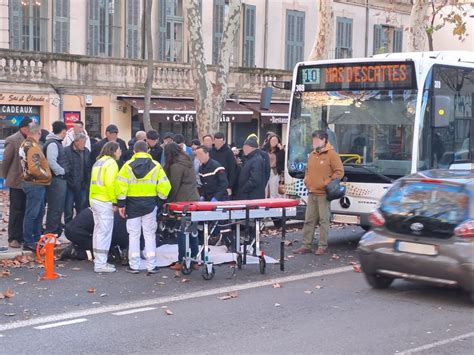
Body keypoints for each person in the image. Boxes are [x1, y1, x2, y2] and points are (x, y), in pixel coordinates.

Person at [116, 141, 171, 274]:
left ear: (134, 151)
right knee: (149, 234)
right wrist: (159, 201)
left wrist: (121, 204)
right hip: (150, 204)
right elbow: (165, 186)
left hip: (132, 205)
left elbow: (120, 186)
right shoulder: (156, 166)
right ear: (147, 151)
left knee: (134, 235)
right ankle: (151, 265)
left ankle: (134, 265)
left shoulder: (127, 166)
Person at [293, 130, 344, 255]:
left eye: (317, 140)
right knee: (309, 220)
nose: (314, 142)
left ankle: (322, 245)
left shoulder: (332, 154)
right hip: (312, 192)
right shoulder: (312, 155)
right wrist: (306, 179)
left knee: (323, 220)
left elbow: (339, 172)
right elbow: (308, 170)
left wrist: (327, 182)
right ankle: (306, 245)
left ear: (324, 140)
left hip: (323, 194)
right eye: (313, 140)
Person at [163, 143, 200, 271]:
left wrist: (168, 202)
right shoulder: (187, 161)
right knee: (193, 231)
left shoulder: (176, 166)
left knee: (182, 232)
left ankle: (182, 260)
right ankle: (195, 259)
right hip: (194, 200)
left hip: (182, 203)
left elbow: (173, 186)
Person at [89, 141, 122, 273]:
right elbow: (110, 183)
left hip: (95, 199)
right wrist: (115, 201)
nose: (120, 152)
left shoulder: (98, 162)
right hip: (105, 200)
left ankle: (98, 260)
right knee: (105, 232)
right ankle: (101, 263)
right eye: (119, 149)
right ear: (113, 151)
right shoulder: (111, 163)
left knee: (98, 232)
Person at [19, 123, 52, 251]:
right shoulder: (33, 146)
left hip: (30, 182)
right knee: (33, 213)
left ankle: (36, 238)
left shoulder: (25, 144)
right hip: (35, 183)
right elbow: (34, 168)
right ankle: (30, 240)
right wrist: (47, 175)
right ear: (38, 133)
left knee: (37, 212)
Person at [2, 117, 32, 248]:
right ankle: (13, 238)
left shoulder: (32, 140)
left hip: (30, 181)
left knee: (27, 210)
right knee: (17, 210)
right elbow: (5, 162)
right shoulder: (13, 140)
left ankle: (24, 236)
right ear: (24, 128)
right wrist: (6, 178)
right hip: (16, 181)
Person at [59, 207, 129, 262]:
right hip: (77, 232)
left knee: (103, 245)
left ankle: (77, 248)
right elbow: (115, 238)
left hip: (73, 228)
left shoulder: (111, 210)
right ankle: (75, 251)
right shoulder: (119, 219)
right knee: (101, 250)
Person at [44, 121, 70, 235]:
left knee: (57, 207)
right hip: (56, 180)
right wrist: (62, 171)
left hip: (57, 179)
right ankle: (52, 233)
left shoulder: (53, 142)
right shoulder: (53, 144)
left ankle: (55, 231)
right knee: (55, 207)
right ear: (63, 131)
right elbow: (51, 162)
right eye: (66, 133)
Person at [64, 132, 91, 224]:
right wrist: (69, 180)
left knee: (82, 207)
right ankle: (68, 225)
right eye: (82, 142)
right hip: (70, 184)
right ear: (76, 142)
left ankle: (79, 225)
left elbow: (88, 167)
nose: (84, 145)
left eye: (85, 142)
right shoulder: (66, 151)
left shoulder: (86, 151)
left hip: (83, 185)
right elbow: (65, 167)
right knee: (68, 207)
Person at [210, 132, 237, 197]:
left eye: (220, 142)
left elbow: (232, 169)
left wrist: (230, 186)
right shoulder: (210, 151)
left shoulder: (228, 152)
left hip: (225, 184)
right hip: (212, 184)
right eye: (216, 142)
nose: (218, 144)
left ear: (224, 141)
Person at [262, 134, 285, 198]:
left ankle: (273, 205)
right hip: (265, 171)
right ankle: (264, 204)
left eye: (275, 140)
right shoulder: (264, 149)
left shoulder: (279, 151)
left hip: (274, 171)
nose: (274, 142)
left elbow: (282, 161)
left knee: (274, 190)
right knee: (264, 190)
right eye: (272, 140)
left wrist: (281, 149)